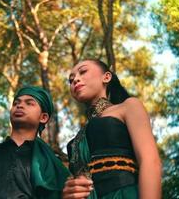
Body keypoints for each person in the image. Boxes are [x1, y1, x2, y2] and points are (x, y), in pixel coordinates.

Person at [62, 59, 162, 199]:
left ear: (106, 77)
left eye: (83, 72)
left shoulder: (128, 106)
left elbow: (150, 162)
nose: (75, 80)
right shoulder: (77, 139)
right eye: (70, 80)